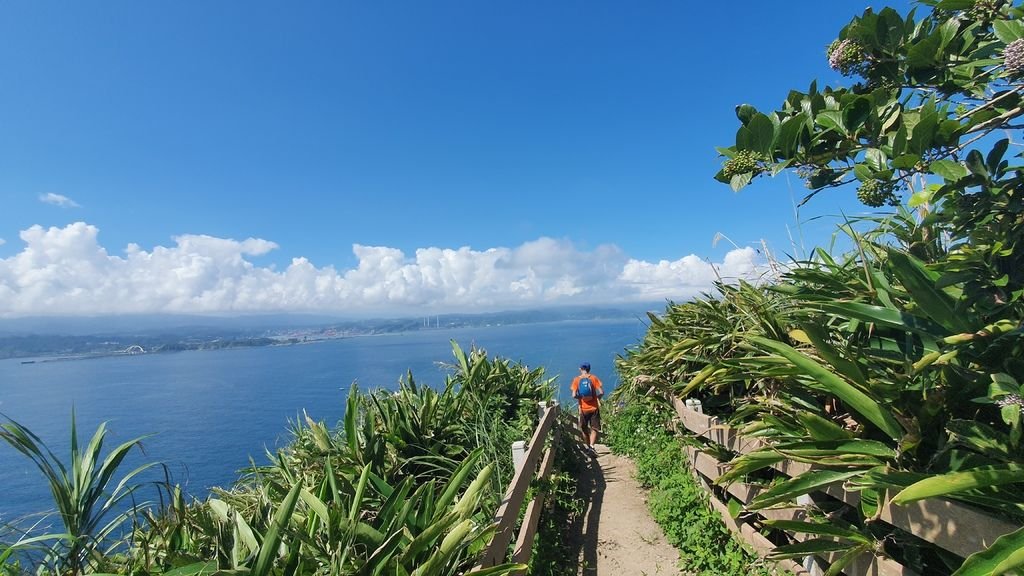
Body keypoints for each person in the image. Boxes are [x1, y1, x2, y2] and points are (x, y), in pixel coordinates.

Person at [571, 362, 604, 456]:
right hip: (594, 408)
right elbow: (601, 392)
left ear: (580, 369)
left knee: (584, 428)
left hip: (583, 409)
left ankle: (588, 447)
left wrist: (581, 398)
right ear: (589, 369)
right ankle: (592, 446)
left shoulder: (576, 380)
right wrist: (596, 398)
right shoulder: (593, 378)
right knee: (594, 428)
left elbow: (573, 395)